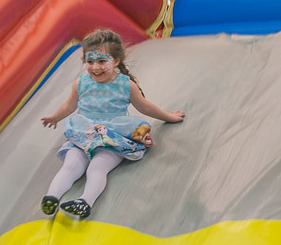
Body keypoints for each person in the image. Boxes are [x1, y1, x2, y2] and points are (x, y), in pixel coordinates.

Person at [39, 29, 184, 219]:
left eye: (101, 61)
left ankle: (85, 202)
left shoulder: (125, 85)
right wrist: (55, 117)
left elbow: (145, 107)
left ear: (115, 61)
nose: (94, 67)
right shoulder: (81, 83)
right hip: (84, 132)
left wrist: (168, 117)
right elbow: (69, 105)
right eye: (89, 61)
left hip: (112, 135)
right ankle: (52, 197)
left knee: (97, 167)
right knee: (71, 165)